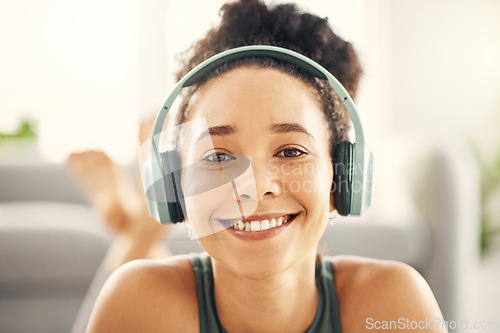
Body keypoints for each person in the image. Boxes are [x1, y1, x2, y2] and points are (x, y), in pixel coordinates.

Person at [86, 1, 447, 332]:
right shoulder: (136, 305)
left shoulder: (395, 305)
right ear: (175, 188)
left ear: (341, 177)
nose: (254, 188)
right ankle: (138, 230)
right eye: (218, 157)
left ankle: (135, 229)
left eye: (291, 152)